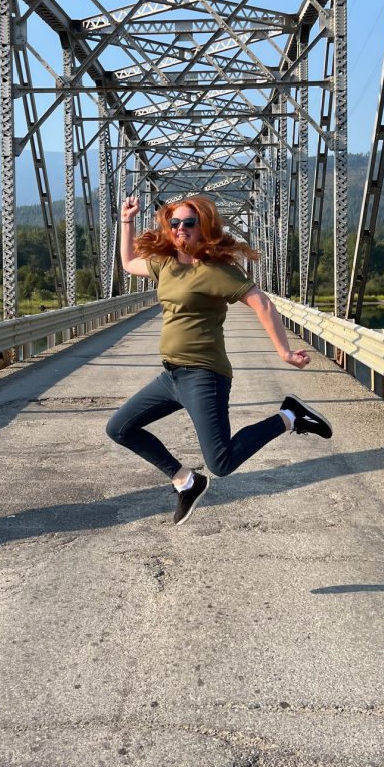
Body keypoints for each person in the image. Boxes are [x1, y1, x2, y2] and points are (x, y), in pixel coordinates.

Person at [105, 194, 333, 526]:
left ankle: (289, 416)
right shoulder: (165, 265)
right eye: (175, 223)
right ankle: (186, 481)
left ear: (203, 228)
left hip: (204, 376)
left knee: (222, 463)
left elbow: (261, 302)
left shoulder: (215, 271)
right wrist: (126, 220)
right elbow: (127, 263)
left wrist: (283, 351)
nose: (181, 229)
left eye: (189, 223)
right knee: (119, 428)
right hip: (171, 378)